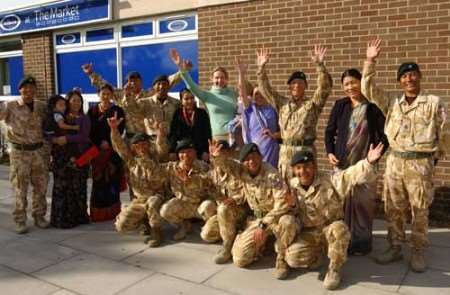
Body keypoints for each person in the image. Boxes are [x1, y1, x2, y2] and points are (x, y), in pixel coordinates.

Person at [361, 38, 450, 272]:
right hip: (395, 162)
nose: (409, 79)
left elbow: (445, 132)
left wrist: (433, 159)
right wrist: (370, 60)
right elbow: (367, 89)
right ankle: (394, 246)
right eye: (404, 76)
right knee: (393, 207)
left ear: (419, 77)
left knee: (419, 208)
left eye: (413, 75)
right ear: (400, 81)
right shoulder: (392, 103)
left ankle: (418, 250)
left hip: (420, 163)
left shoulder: (432, 103)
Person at [278, 144, 384, 289]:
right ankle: (311, 255)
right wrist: (291, 205)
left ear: (314, 167)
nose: (303, 171)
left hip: (329, 230)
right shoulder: (292, 186)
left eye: (307, 166)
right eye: (298, 168)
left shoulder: (330, 180)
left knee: (339, 229)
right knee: (292, 257)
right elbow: (290, 212)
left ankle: (334, 269)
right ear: (294, 170)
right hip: (309, 232)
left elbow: (350, 175)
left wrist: (368, 162)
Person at [325, 68, 388, 255]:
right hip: (343, 163)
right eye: (346, 84)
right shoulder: (340, 105)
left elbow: (386, 135)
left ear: (361, 82)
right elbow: (329, 132)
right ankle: (342, 240)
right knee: (341, 203)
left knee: (363, 204)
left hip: (365, 165)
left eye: (353, 82)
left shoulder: (372, 106)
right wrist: (329, 152)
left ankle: (361, 243)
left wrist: (376, 156)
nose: (350, 87)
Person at [209, 141, 295, 278]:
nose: (252, 161)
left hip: (273, 219)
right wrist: (217, 156)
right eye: (248, 159)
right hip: (255, 219)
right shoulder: (242, 171)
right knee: (239, 259)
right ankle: (229, 245)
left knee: (288, 221)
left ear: (261, 157)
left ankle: (282, 259)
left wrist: (263, 225)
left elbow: (283, 204)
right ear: (243, 162)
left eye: (255, 156)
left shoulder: (272, 175)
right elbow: (226, 165)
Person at [256, 45, 332, 178]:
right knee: (287, 189)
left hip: (305, 151)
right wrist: (261, 69)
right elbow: (265, 90)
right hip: (285, 153)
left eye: (300, 83)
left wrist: (320, 65)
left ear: (306, 86)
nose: (297, 85)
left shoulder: (313, 104)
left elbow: (325, 87)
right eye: (294, 83)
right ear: (289, 87)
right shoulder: (282, 104)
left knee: (306, 188)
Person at [0, 76, 51, 234]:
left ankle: (39, 216)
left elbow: (51, 124)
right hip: (19, 153)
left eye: (31, 87)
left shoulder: (41, 106)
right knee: (20, 188)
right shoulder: (10, 106)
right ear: (20, 89)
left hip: (38, 152)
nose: (28, 90)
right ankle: (20, 220)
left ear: (35, 89)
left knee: (41, 187)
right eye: (25, 87)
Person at [109, 113, 169, 247]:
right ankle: (144, 222)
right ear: (133, 148)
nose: (141, 148)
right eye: (137, 145)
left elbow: (162, 148)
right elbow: (119, 146)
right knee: (122, 225)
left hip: (157, 196)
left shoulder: (156, 157)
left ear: (149, 145)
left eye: (144, 144)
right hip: (140, 198)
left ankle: (156, 231)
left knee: (152, 203)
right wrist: (114, 129)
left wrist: (160, 134)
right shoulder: (131, 161)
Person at [169, 48, 237, 141]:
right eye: (216, 78)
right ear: (212, 79)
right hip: (218, 138)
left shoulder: (233, 94)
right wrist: (181, 68)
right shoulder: (207, 96)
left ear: (227, 79)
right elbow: (191, 86)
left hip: (235, 137)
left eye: (222, 77)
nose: (219, 80)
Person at [200, 140, 246, 264]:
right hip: (224, 215)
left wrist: (217, 157)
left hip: (240, 211)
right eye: (218, 153)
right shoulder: (213, 172)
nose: (221, 156)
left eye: (223, 153)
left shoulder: (238, 168)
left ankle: (227, 245)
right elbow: (203, 182)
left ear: (229, 153)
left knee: (223, 208)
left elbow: (245, 194)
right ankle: (232, 233)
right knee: (206, 235)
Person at [50, 90, 91, 228]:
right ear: (68, 102)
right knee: (63, 188)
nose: (76, 103)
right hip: (62, 157)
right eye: (73, 100)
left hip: (80, 157)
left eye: (79, 100)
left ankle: (78, 217)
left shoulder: (84, 118)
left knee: (78, 188)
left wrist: (66, 138)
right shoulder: (61, 117)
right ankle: (61, 219)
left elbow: (84, 136)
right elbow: (51, 131)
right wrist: (55, 139)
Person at [87, 84, 126, 222]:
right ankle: (98, 214)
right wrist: (99, 143)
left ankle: (113, 213)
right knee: (98, 183)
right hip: (97, 153)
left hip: (113, 151)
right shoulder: (91, 111)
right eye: (103, 93)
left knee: (113, 182)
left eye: (108, 93)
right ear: (98, 94)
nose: (105, 96)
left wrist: (109, 142)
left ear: (112, 95)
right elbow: (88, 131)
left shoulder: (117, 110)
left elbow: (120, 130)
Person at [236, 57, 281, 168]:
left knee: (271, 177)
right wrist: (241, 74)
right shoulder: (250, 108)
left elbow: (285, 131)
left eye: (261, 93)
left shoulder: (274, 109)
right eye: (256, 94)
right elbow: (242, 92)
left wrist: (274, 135)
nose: (259, 96)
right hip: (254, 151)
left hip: (271, 150)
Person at [168, 88, 212, 161]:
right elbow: (173, 134)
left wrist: (206, 151)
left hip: (200, 152)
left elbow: (207, 134)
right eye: (186, 99)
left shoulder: (202, 113)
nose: (190, 101)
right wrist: (172, 151)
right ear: (181, 101)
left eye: (192, 98)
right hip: (183, 151)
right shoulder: (178, 114)